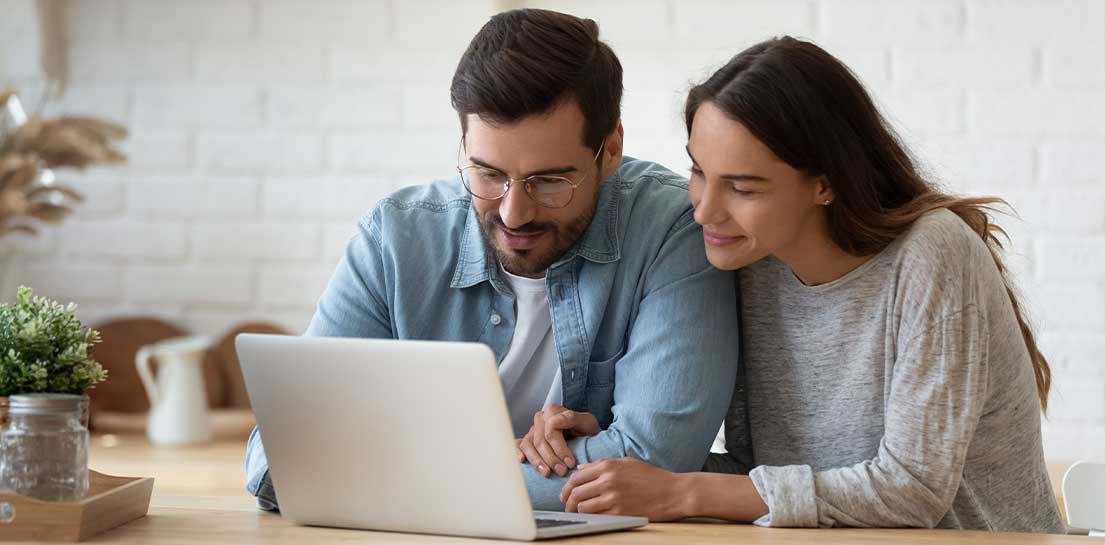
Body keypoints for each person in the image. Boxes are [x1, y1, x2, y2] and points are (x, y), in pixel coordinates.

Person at [546, 36, 1066, 533]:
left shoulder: (932, 254)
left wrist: (684, 493)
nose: (702, 210)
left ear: (824, 183)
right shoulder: (751, 263)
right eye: (699, 172)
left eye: (742, 187)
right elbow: (767, 478)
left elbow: (912, 489)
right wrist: (624, 461)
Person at [244, 9, 739, 512]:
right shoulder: (395, 239)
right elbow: (280, 458)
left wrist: (392, 475)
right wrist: (497, 465)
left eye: (549, 181)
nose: (514, 213)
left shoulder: (672, 230)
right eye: (487, 173)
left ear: (610, 150)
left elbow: (656, 462)